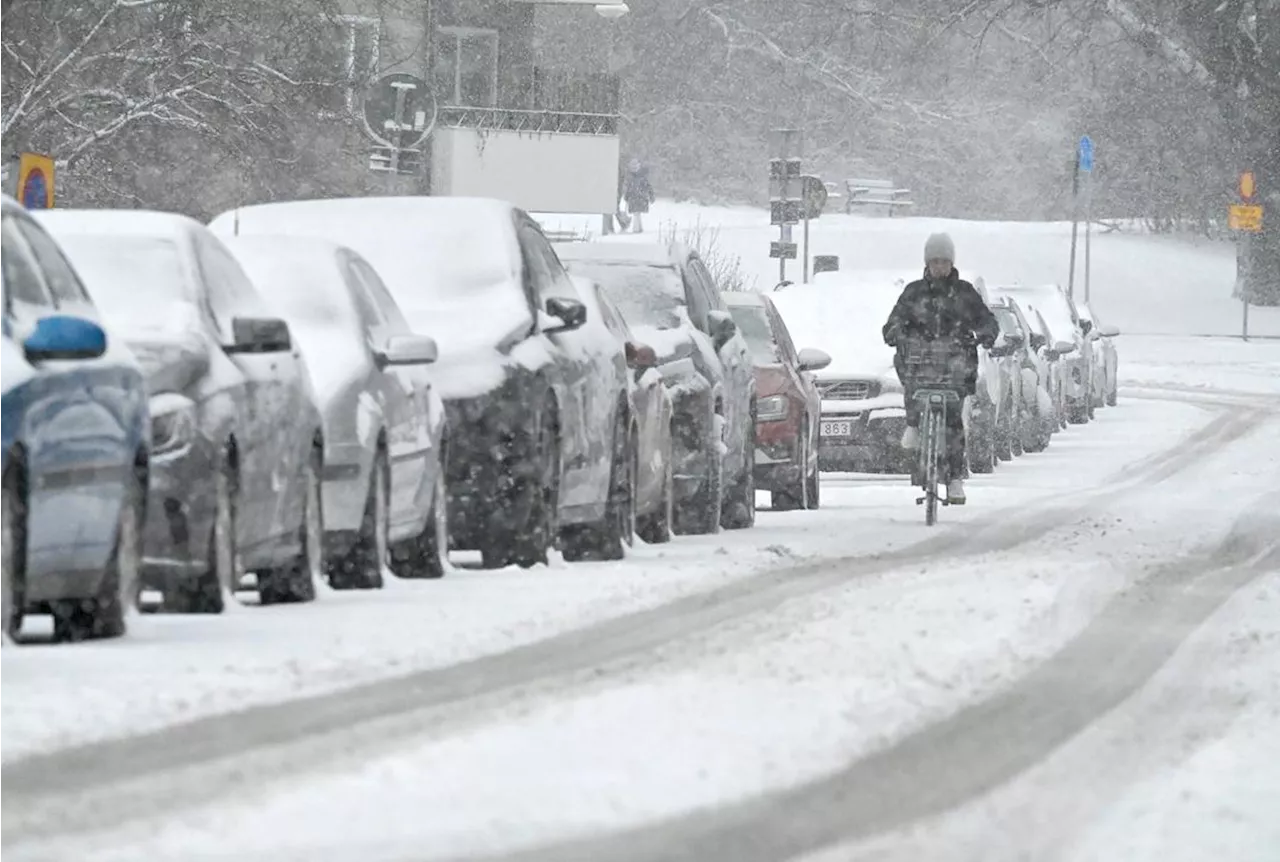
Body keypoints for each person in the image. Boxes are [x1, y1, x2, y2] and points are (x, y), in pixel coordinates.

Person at [881, 233, 1000, 504]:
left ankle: (955, 478)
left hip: (955, 367)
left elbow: (987, 321)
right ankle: (913, 425)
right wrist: (896, 333)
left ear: (951, 263)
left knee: (954, 421)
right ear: (927, 263)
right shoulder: (913, 293)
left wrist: (985, 334)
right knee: (912, 389)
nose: (939, 267)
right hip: (921, 364)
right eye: (934, 261)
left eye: (944, 261)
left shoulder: (965, 293)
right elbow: (893, 322)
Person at [621, 158, 654, 233]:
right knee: (637, 213)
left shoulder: (641, 177)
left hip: (639, 197)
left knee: (636, 213)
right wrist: (627, 196)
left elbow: (648, 186)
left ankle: (636, 228)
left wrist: (651, 195)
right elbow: (629, 188)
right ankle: (639, 228)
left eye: (635, 167)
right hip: (636, 198)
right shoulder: (633, 177)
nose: (634, 169)